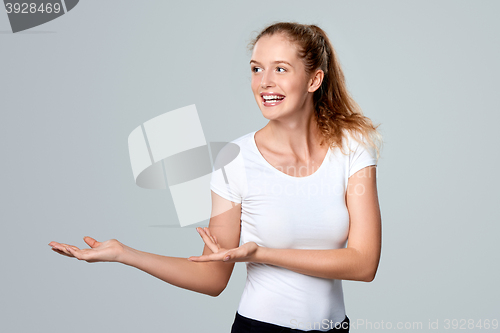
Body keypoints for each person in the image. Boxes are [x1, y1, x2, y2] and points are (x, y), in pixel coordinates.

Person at [49, 22, 382, 333]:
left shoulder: (351, 149)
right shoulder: (235, 161)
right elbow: (213, 276)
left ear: (314, 80)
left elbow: (363, 264)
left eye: (280, 68)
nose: (264, 82)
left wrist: (260, 253)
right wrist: (125, 253)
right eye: (256, 69)